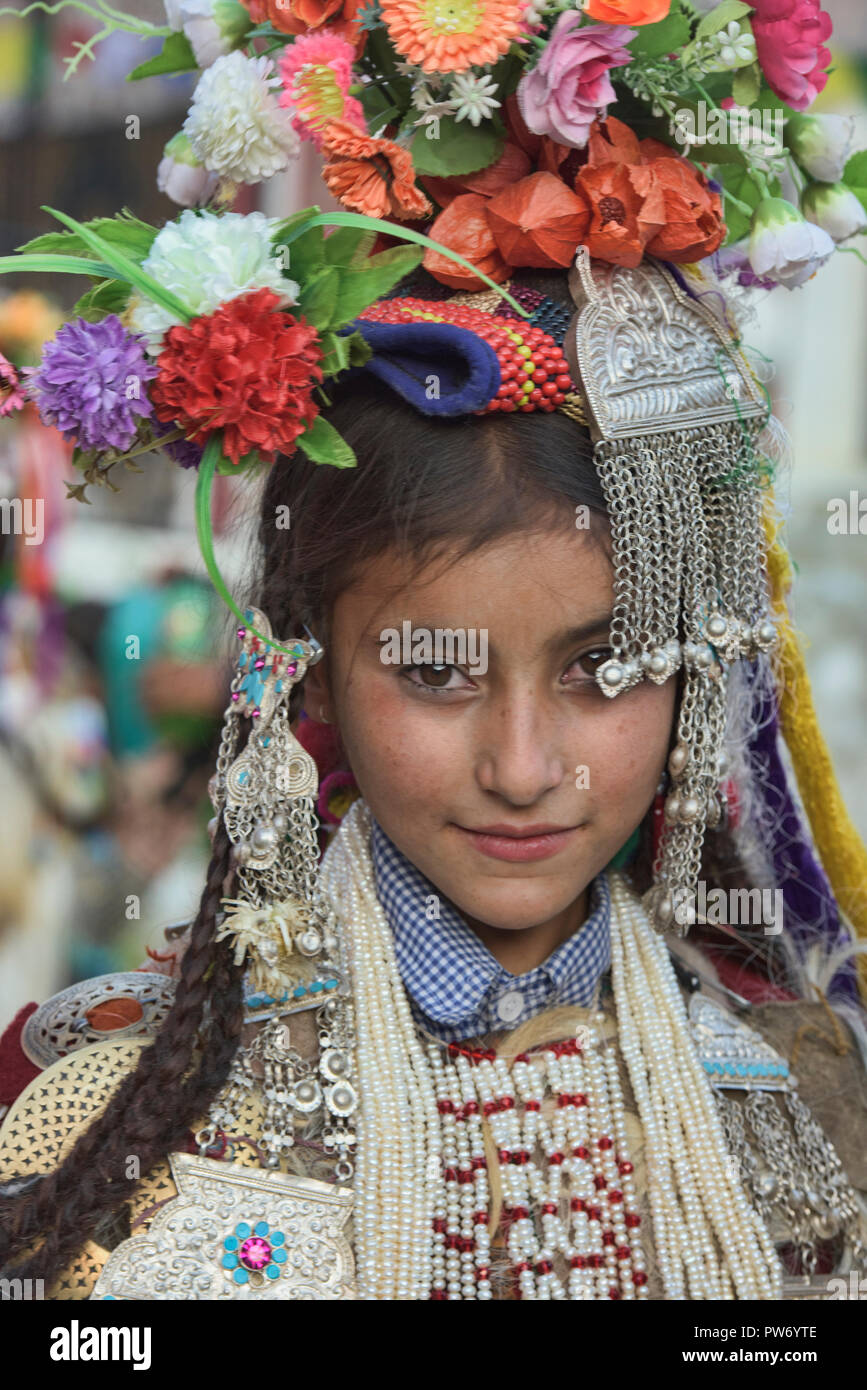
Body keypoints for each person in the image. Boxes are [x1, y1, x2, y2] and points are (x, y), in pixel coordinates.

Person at [1, 265, 865, 1302]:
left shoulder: (814, 1105)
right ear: (312, 664)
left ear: (692, 669)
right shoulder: (92, 1098)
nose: (523, 767)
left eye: (603, 668)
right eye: (436, 672)